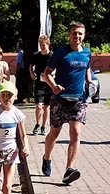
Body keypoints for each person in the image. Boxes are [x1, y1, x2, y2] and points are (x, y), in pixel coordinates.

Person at [41, 22, 92, 183]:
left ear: (84, 36)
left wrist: (90, 83)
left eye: (80, 34)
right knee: (54, 133)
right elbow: (46, 73)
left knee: (76, 132)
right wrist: (53, 85)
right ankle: (46, 157)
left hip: (79, 99)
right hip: (60, 98)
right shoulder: (60, 53)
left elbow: (86, 70)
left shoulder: (87, 53)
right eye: (74, 33)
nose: (77, 36)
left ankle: (69, 170)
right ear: (69, 34)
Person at [29, 35, 53, 136]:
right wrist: (31, 74)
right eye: (40, 45)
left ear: (48, 45)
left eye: (43, 45)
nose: (42, 47)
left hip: (49, 84)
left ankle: (44, 126)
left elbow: (57, 67)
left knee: (46, 107)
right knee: (39, 105)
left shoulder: (52, 56)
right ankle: (37, 124)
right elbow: (30, 66)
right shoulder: (36, 55)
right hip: (39, 83)